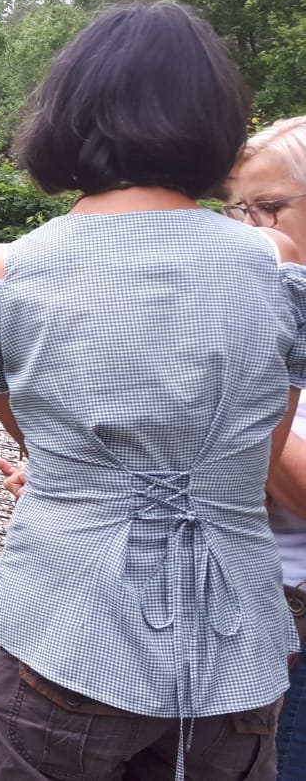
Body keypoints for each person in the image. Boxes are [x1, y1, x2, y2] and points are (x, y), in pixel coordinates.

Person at [0, 2, 303, 781]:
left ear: (69, 113)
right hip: (234, 645)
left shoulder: (3, 270)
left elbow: (37, 442)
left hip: (62, 623)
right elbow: (253, 459)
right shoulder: (275, 262)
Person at [222, 115, 306, 779]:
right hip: (234, 601)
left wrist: (226, 420)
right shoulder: (253, 304)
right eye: (237, 210)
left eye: (270, 208)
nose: (250, 228)